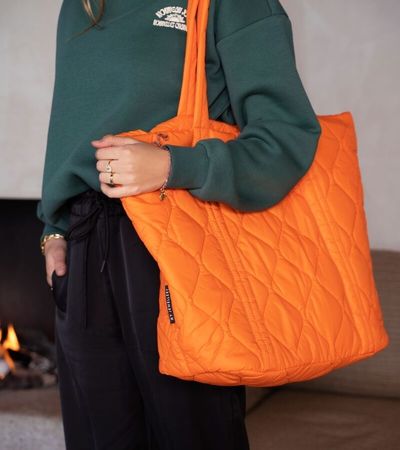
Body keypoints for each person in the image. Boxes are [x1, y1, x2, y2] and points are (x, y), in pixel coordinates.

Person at [37, 0, 321, 448]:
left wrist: (175, 166)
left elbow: (287, 138)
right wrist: (53, 229)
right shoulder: (81, 5)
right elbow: (69, 123)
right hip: (84, 244)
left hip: (180, 245)